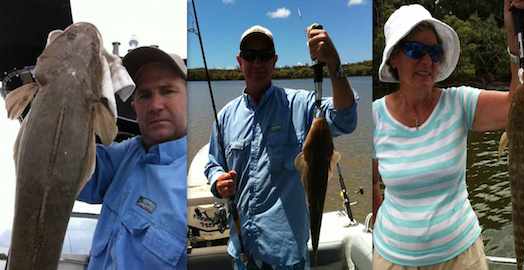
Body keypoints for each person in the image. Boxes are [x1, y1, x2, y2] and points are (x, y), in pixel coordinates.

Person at [372, 1, 524, 269]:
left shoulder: (460, 102)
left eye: (434, 52)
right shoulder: (374, 116)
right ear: (394, 57)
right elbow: (373, 186)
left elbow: (521, 104)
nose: (427, 61)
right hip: (392, 259)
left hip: (463, 257)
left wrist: (519, 36)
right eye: (415, 50)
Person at [205, 25, 357, 269]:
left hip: (287, 257)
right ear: (239, 61)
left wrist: (333, 64)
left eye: (265, 56)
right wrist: (218, 180)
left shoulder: (302, 104)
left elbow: (346, 119)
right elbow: (213, 162)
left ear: (274, 61)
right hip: (242, 254)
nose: (257, 63)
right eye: (250, 56)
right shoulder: (225, 117)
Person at [77, 46, 188, 270]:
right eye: (145, 95)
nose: (156, 106)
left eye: (167, 91)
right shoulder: (125, 155)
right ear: (134, 106)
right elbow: (67, 171)